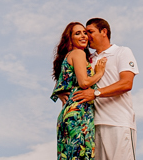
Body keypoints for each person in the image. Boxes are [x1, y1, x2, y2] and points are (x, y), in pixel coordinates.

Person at [71, 18, 138, 160]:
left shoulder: (122, 52)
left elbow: (126, 83)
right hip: (92, 125)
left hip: (118, 122)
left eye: (90, 32)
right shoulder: (88, 59)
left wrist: (95, 93)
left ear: (104, 32)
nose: (87, 36)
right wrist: (60, 93)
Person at [50, 22, 108, 160]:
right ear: (70, 38)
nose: (83, 36)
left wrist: (58, 93)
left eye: (84, 33)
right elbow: (84, 82)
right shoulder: (78, 53)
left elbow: (62, 85)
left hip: (69, 114)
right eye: (78, 33)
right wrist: (99, 73)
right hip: (79, 114)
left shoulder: (69, 56)